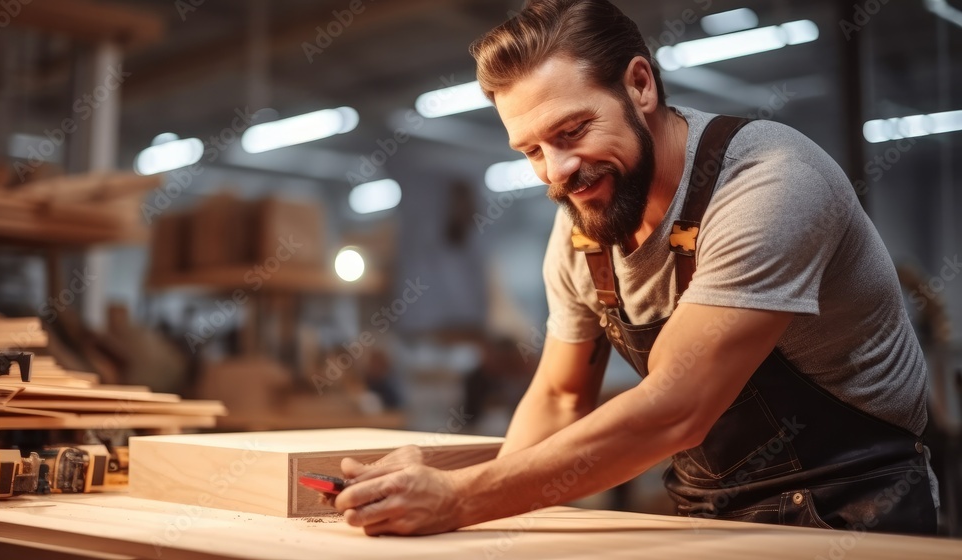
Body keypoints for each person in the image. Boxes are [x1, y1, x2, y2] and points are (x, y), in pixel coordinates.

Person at [334, 0, 940, 536]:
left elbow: (677, 406)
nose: (557, 172)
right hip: (708, 512)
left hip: (854, 508)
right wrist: (489, 510)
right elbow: (561, 395)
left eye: (572, 131)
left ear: (641, 85)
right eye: (531, 151)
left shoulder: (769, 182)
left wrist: (459, 498)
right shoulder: (584, 223)